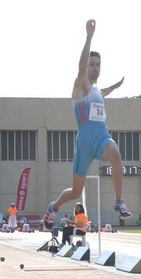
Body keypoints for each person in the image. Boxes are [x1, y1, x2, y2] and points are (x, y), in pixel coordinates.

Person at [42, 19, 131, 229]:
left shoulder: (96, 91)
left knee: (116, 156)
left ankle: (119, 201)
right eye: (92, 64)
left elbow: (102, 92)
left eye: (98, 64)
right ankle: (53, 207)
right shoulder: (80, 86)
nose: (95, 67)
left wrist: (115, 87)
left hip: (101, 137)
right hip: (84, 144)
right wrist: (89, 36)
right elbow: (81, 67)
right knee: (75, 192)